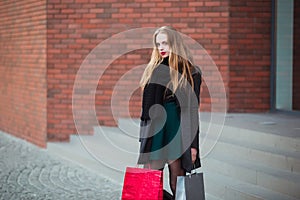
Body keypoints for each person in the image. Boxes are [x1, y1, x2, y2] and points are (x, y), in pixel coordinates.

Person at [137, 26, 202, 198]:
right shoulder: (154, 70)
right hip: (157, 131)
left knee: (177, 182)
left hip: (177, 131)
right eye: (158, 44)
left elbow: (192, 111)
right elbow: (146, 110)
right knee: (151, 182)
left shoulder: (191, 72)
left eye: (165, 43)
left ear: (175, 44)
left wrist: (193, 145)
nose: (161, 48)